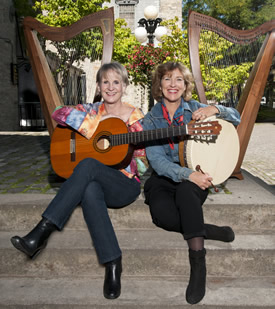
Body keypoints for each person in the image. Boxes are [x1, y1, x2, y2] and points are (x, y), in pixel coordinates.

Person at [10, 62, 148, 300]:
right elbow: (58, 112)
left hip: (124, 184)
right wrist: (94, 131)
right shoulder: (92, 110)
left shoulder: (135, 117)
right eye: (106, 82)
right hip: (95, 181)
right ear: (99, 86)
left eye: (116, 82)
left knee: (88, 165)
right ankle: (113, 262)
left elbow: (143, 163)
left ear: (124, 86)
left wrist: (123, 152)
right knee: (90, 189)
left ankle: (42, 231)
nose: (111, 87)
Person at [142, 62, 241, 305]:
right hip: (164, 179)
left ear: (185, 85)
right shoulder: (151, 120)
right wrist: (187, 174)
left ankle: (198, 265)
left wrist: (215, 109)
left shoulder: (196, 109)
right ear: (159, 84)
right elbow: (157, 161)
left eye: (178, 80)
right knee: (162, 217)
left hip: (195, 179)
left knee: (187, 193)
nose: (172, 85)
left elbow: (236, 118)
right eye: (167, 79)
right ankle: (208, 230)